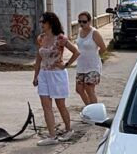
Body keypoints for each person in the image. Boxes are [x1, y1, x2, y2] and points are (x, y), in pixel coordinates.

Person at [33, 11, 79, 146]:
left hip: (57, 74)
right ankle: (52, 136)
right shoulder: (40, 38)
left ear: (50, 23)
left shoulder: (60, 38)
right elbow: (38, 58)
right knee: (45, 105)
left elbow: (76, 52)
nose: (41, 24)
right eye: (40, 22)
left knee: (60, 104)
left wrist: (66, 65)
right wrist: (35, 75)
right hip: (43, 74)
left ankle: (68, 129)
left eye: (43, 22)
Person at [75, 11, 107, 106]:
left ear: (89, 22)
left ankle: (95, 111)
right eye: (80, 21)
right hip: (81, 65)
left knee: (89, 88)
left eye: (84, 22)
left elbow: (103, 48)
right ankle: (89, 107)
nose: (82, 24)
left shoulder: (94, 33)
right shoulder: (79, 32)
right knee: (79, 89)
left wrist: (97, 56)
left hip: (93, 65)